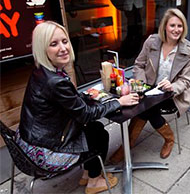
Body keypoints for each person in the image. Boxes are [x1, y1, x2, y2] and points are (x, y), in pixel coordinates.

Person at [16, 21, 140, 194]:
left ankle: (88, 173)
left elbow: (65, 101)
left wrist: (85, 96)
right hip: (43, 152)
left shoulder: (42, 71)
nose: (63, 48)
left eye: (64, 41)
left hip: (30, 141)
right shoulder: (55, 81)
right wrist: (119, 102)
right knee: (99, 134)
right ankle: (94, 181)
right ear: (42, 48)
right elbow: (86, 115)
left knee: (94, 129)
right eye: (54, 44)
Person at [110, 8, 190, 162]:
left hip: (173, 94)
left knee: (146, 109)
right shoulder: (152, 42)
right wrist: (142, 84)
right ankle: (167, 138)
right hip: (148, 89)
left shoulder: (189, 50)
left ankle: (128, 147)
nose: (176, 30)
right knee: (144, 107)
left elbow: (186, 80)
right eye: (172, 25)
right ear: (164, 26)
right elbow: (138, 65)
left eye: (180, 26)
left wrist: (172, 86)